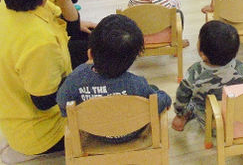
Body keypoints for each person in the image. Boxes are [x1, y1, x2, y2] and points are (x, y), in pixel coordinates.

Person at [0, 0, 76, 163]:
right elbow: (44, 101)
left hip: (15, 118)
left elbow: (72, 24)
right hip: (43, 134)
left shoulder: (17, 7)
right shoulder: (39, 41)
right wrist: (84, 81)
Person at [56, 14, 172, 143]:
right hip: (131, 131)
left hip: (95, 132)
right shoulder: (137, 84)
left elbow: (62, 101)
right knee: (153, 91)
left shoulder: (76, 77)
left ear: (90, 53)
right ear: (133, 59)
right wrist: (165, 97)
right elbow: (156, 104)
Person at [171, 20, 243, 131]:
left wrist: (179, 113)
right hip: (236, 121)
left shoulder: (195, 72)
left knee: (192, 101)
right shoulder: (240, 68)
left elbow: (181, 98)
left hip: (209, 125)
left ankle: (183, 118)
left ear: (202, 54)